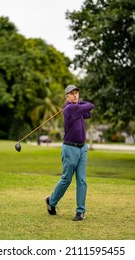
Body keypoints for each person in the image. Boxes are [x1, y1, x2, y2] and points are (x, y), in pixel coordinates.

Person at [45, 84, 94, 221]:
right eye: (72, 94)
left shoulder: (76, 108)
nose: (75, 95)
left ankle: (80, 212)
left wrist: (80, 103)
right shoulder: (70, 109)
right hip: (69, 149)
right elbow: (90, 106)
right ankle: (51, 202)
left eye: (77, 93)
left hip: (82, 148)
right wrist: (82, 102)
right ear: (67, 96)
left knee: (82, 180)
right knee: (66, 179)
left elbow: (88, 114)